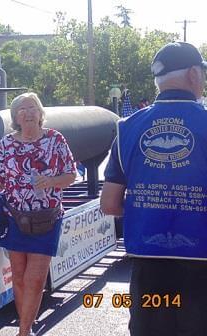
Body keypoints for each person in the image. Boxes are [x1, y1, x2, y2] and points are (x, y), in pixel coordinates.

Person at [101, 41, 207, 336]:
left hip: (148, 266)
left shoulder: (126, 127)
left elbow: (109, 203)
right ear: (194, 74)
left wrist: (149, 208)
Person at [0, 92, 76, 336]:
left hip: (46, 218)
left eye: (33, 108)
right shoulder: (7, 143)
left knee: (35, 279)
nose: (28, 112)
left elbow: (71, 174)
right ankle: (26, 328)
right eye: (22, 109)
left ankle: (23, 331)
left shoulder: (55, 139)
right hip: (15, 217)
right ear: (15, 117)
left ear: (41, 114)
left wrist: (51, 180)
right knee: (18, 276)